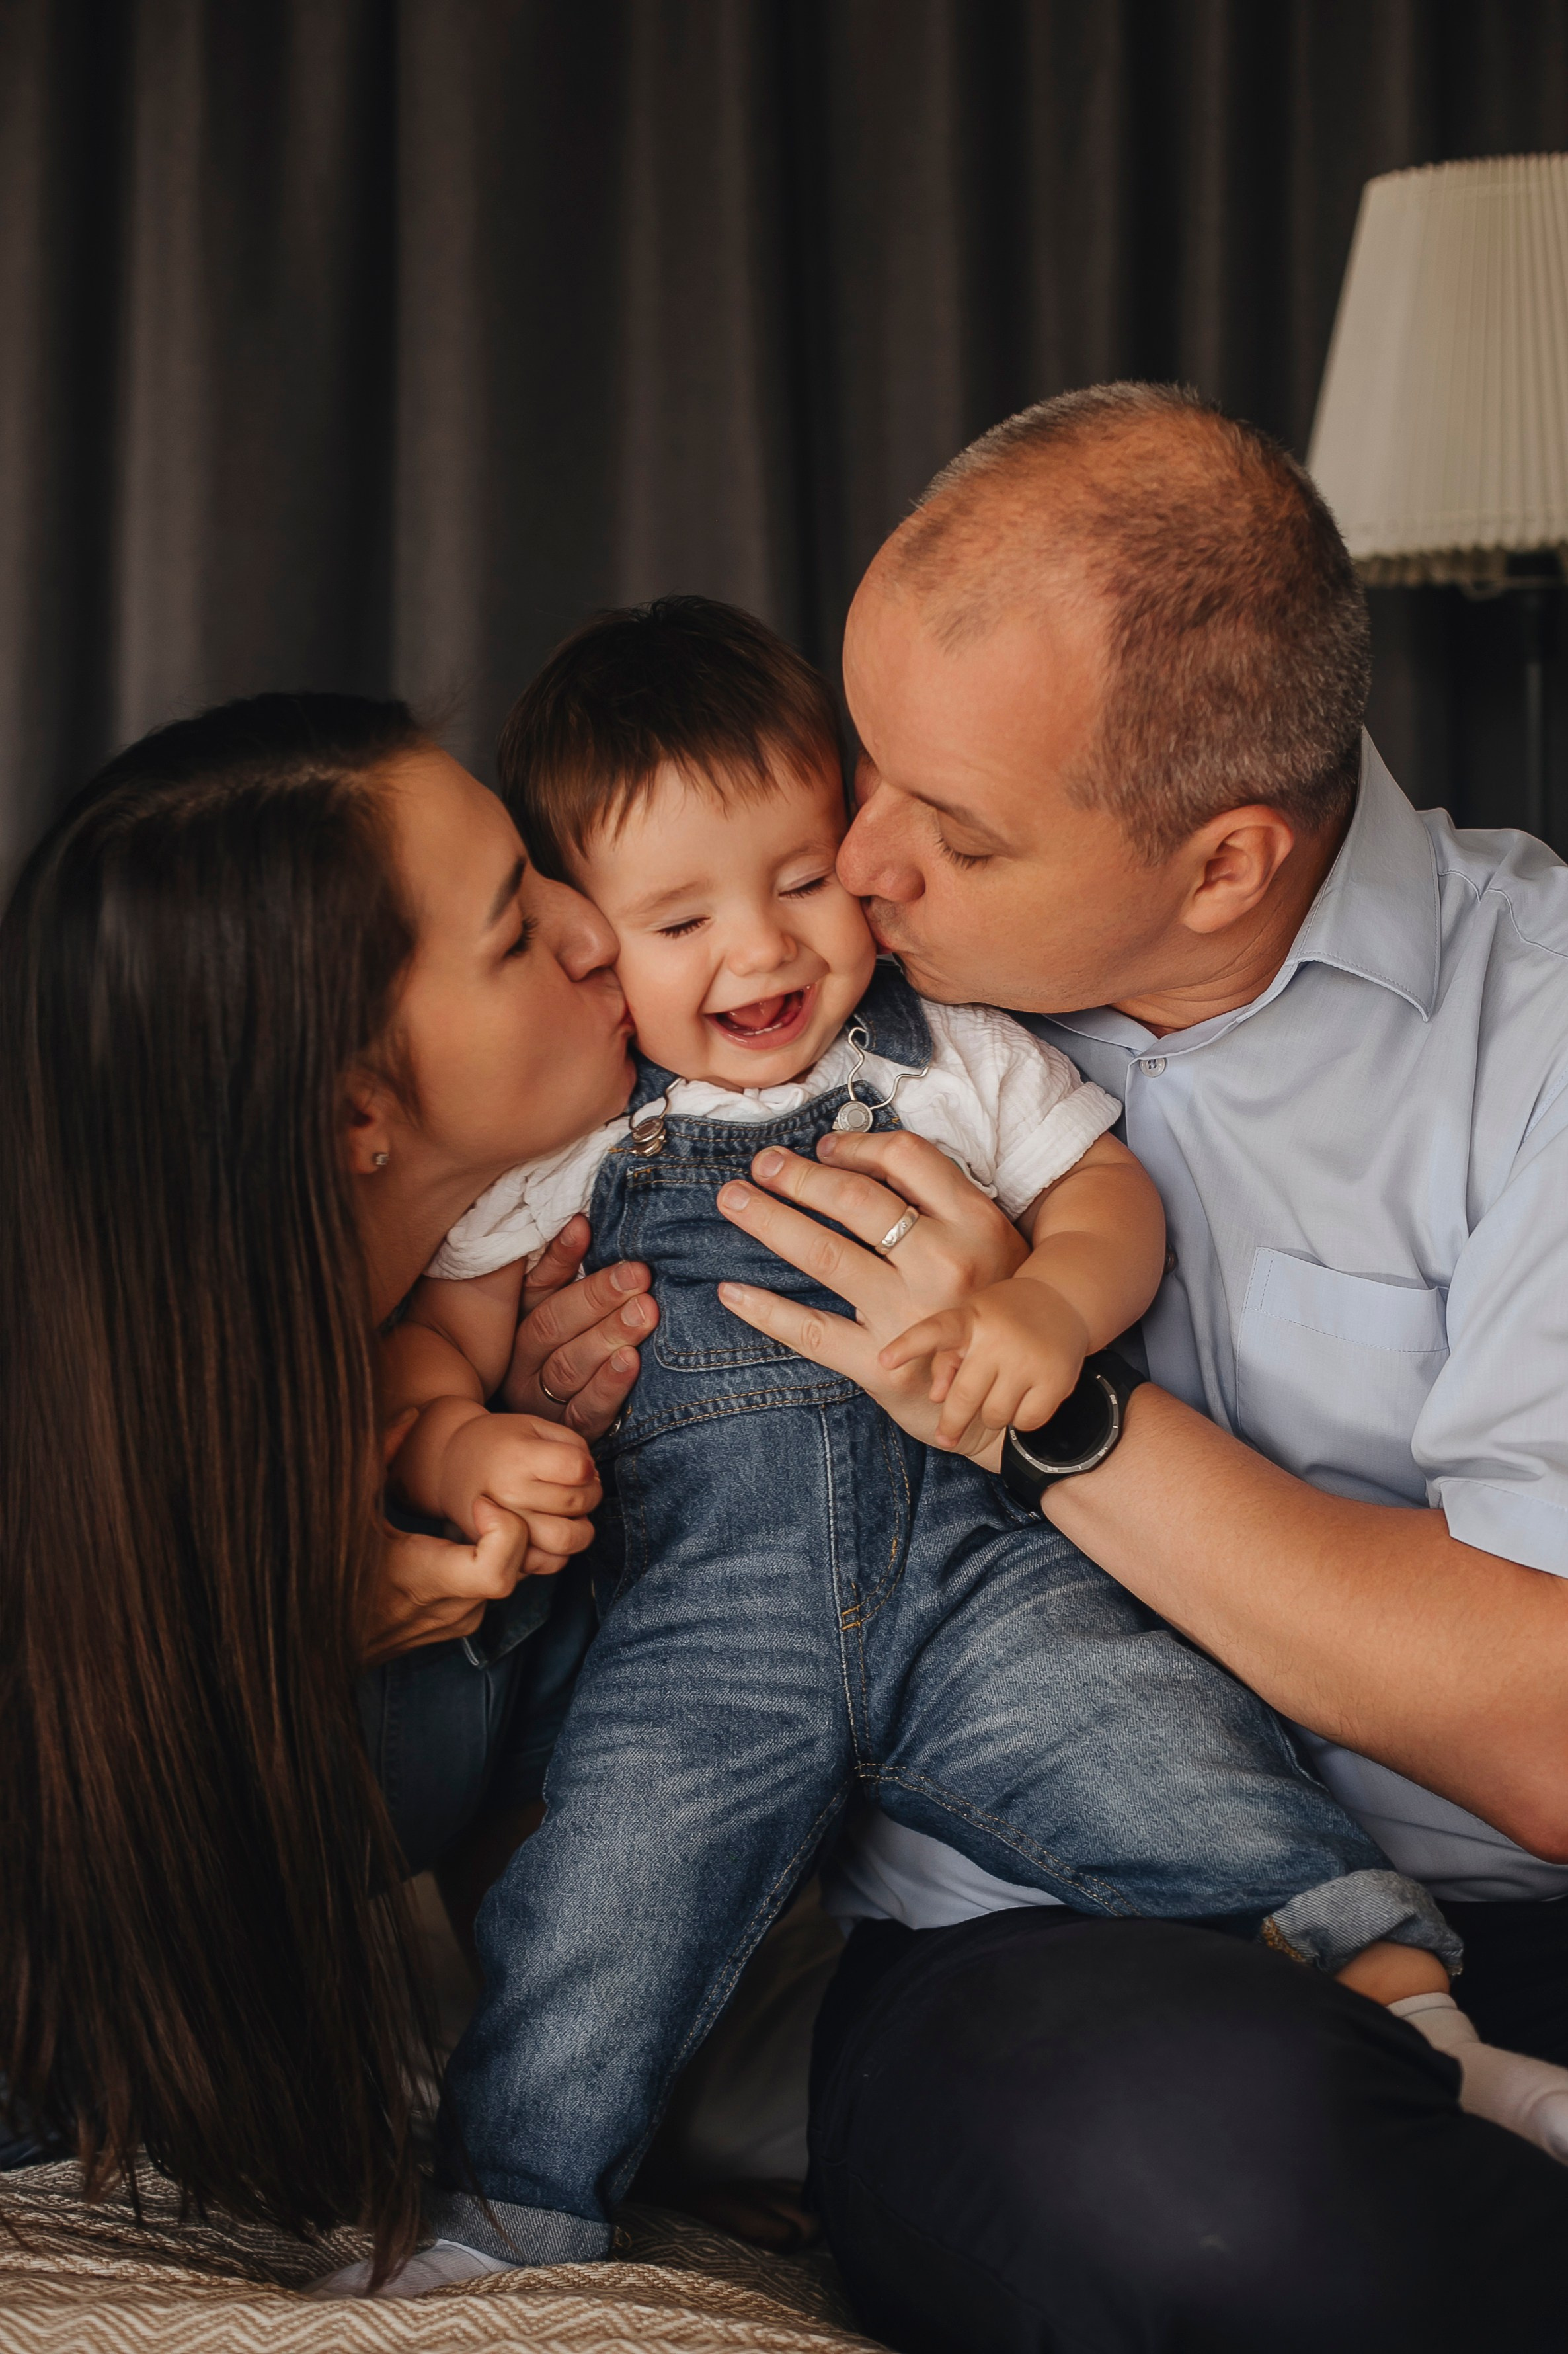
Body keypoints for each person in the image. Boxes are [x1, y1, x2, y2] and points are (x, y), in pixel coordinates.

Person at [321, 596, 1548, 2304]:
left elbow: (1102, 1199)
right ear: (597, 945)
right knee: (604, 1901)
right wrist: (463, 1446)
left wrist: (1045, 1320)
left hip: (979, 1582)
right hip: (710, 1620)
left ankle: (1432, 2031)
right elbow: (431, 1355)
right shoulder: (594, 1124)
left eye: (801, 878)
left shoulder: (946, 1058)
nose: (758, 952)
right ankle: (513, 2207)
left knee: (1189, 1775)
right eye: (678, 919)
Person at [711, 384, 1568, 2349]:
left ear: (1221, 863)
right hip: (1048, 1938)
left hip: (1511, 1931)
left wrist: (1051, 1399)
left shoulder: (1527, 1047)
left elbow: (1536, 1737)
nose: (850, 866)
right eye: (867, 768)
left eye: (954, 831)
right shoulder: (809, 1025)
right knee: (1231, 2227)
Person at [0, 692, 649, 2280]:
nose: (596, 925)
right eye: (515, 931)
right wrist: (265, 1658)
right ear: (360, 1109)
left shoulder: (541, 1284)